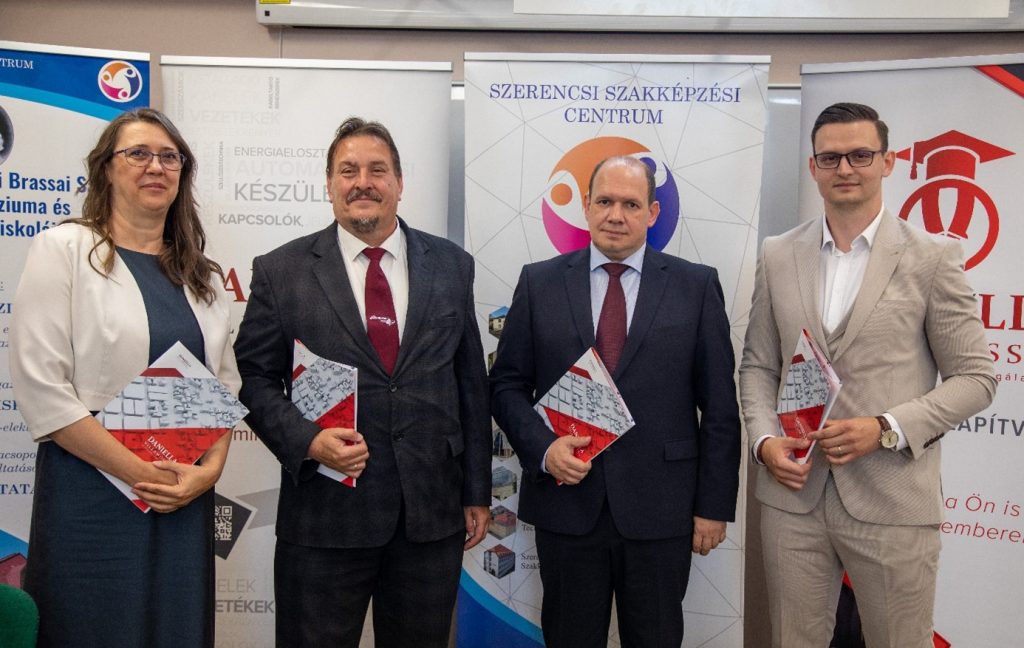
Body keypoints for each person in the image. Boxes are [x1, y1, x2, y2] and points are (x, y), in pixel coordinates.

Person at [739, 102, 997, 648]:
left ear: (888, 161)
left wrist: (884, 427)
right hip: (793, 496)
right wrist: (763, 442)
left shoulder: (933, 257)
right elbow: (759, 365)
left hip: (891, 496)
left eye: (860, 155)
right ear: (813, 167)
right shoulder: (778, 254)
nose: (845, 168)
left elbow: (976, 378)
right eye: (830, 157)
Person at [233, 117, 491, 648]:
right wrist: (308, 441)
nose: (362, 182)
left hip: (429, 514)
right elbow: (254, 379)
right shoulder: (282, 271)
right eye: (347, 171)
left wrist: (477, 492)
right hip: (324, 516)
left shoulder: (452, 266)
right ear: (329, 184)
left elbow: (470, 383)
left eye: (377, 170)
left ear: (399, 182)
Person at [9, 107, 239, 648]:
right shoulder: (65, 249)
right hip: (91, 492)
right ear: (107, 169)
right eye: (138, 154)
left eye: (169, 157)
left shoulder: (201, 275)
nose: (155, 167)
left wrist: (208, 474)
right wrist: (140, 473)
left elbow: (224, 387)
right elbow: (43, 388)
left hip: (181, 496)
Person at [490, 155, 741, 647]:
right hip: (567, 505)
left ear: (652, 213)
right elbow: (505, 385)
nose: (616, 215)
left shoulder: (695, 285)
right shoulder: (539, 283)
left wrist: (714, 506)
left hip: (662, 511)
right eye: (604, 201)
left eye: (631, 204)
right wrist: (544, 449)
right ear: (585, 206)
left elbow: (719, 407)